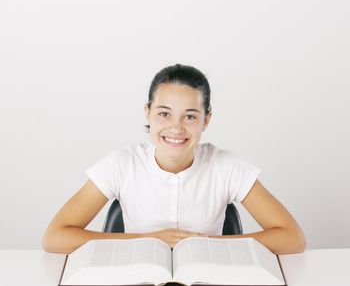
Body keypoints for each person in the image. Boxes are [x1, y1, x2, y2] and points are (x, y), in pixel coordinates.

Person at [42, 64, 306, 255]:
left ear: (207, 120)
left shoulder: (226, 166)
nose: (176, 128)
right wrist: (148, 240)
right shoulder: (123, 163)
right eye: (164, 114)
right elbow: (55, 237)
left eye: (190, 116)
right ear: (147, 113)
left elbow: (293, 238)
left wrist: (208, 245)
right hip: (137, 284)